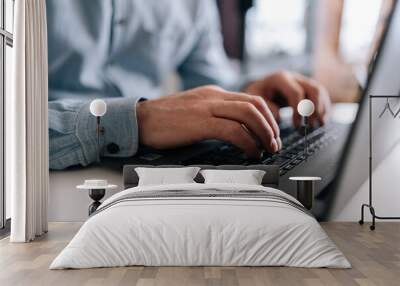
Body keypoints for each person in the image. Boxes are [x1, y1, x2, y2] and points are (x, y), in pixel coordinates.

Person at [47, 0, 330, 170]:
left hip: (144, 176)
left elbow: (212, 84)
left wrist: (248, 94)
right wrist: (136, 120)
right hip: (38, 186)